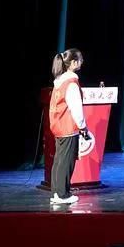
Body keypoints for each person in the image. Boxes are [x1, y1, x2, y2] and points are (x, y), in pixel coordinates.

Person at [48, 48, 89, 206]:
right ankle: (62, 195)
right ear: (73, 63)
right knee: (66, 161)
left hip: (58, 125)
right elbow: (76, 109)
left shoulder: (60, 81)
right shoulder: (71, 83)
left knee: (59, 160)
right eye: (80, 60)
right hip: (67, 126)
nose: (82, 62)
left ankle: (56, 192)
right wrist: (83, 127)